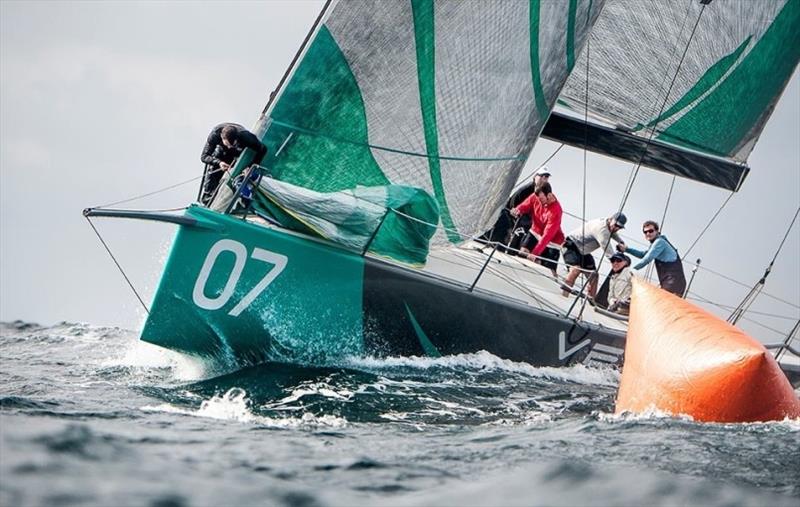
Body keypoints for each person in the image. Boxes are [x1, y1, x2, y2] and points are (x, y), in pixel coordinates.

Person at [478, 166, 552, 250]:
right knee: (498, 241)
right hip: (508, 219)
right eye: (542, 176)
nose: (544, 179)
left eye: (546, 177)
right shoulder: (526, 189)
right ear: (535, 176)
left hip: (521, 224)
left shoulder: (541, 193)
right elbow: (512, 204)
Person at [200, 123, 268, 206]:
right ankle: (208, 199)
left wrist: (251, 167)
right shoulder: (214, 135)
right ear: (222, 137)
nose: (230, 147)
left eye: (232, 144)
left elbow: (263, 149)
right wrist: (219, 162)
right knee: (216, 159)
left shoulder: (246, 136)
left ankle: (243, 196)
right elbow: (204, 156)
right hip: (221, 154)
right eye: (228, 144)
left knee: (238, 170)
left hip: (237, 153)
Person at [561, 212, 627, 298]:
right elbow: (609, 252)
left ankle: (591, 302)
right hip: (571, 245)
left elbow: (612, 232)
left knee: (594, 275)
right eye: (616, 225)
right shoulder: (601, 230)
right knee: (575, 269)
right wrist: (620, 264)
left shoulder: (608, 224)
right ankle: (563, 296)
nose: (617, 228)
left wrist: (621, 242)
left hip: (583, 251)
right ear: (611, 219)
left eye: (620, 227)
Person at [618, 220, 687, 296]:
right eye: (645, 232)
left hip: (673, 283)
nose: (648, 233)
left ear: (657, 231)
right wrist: (626, 249)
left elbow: (647, 259)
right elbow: (643, 254)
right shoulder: (657, 243)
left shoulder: (660, 242)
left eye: (651, 231)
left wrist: (629, 271)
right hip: (669, 282)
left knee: (661, 304)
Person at [510, 181, 564, 276]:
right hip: (535, 231)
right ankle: (518, 276)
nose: (539, 201)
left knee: (549, 270)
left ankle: (554, 283)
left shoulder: (556, 210)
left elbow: (547, 235)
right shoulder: (536, 196)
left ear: (550, 195)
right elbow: (525, 205)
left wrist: (535, 253)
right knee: (523, 253)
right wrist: (518, 210)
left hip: (552, 241)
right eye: (538, 198)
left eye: (542, 198)